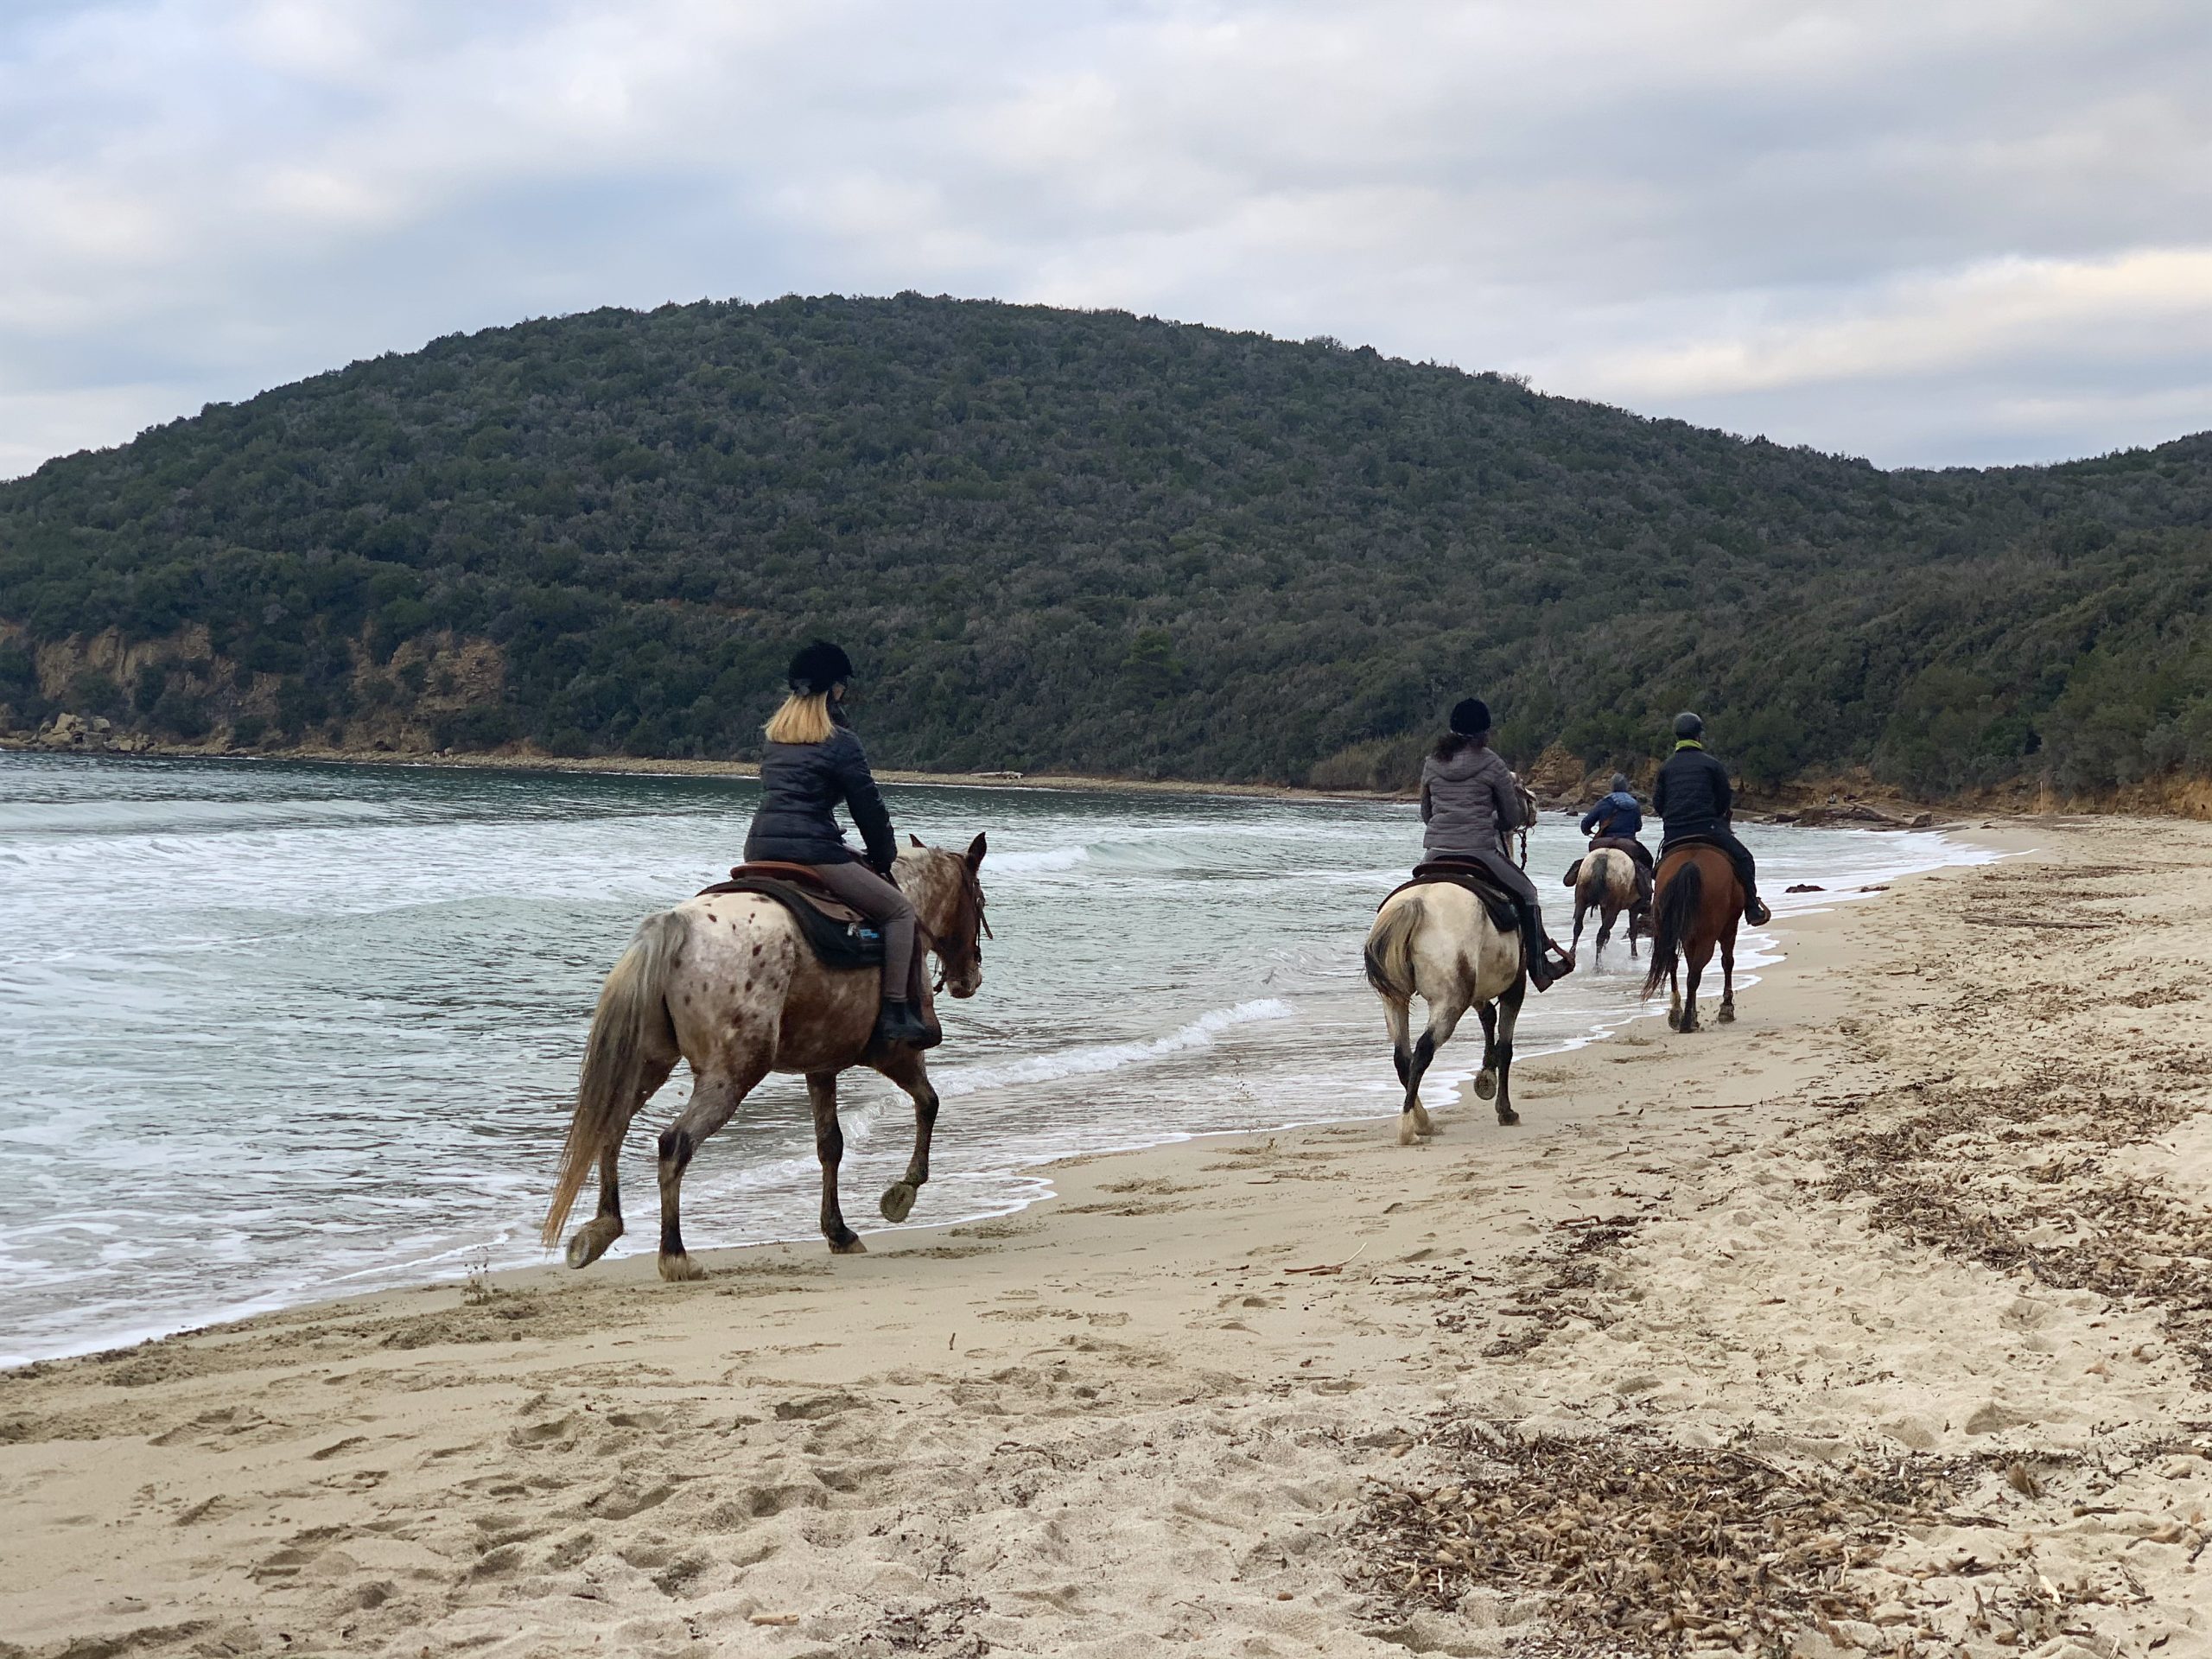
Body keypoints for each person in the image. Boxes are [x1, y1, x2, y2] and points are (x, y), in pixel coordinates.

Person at [744, 641, 934, 1048]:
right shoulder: (841, 742)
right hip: (812, 853)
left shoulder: (776, 740)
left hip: (759, 850)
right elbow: (869, 810)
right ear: (833, 691)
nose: (845, 693)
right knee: (900, 913)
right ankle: (895, 1014)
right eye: (842, 687)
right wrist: (883, 857)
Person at [1420, 697, 1573, 990]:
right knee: (1528, 893)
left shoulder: (1432, 762)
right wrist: (1495, 824)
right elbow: (1510, 818)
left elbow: (1427, 814)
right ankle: (1540, 969)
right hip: (1480, 852)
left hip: (1435, 854)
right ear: (1483, 732)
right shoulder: (1492, 763)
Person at [1652, 712, 1770, 926]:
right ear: (1699, 736)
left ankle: (1653, 911)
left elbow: (1658, 804)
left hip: (1675, 832)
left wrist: (1673, 820)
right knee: (1745, 859)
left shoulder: (1666, 768)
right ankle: (1752, 908)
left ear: (1677, 737)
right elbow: (1724, 799)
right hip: (1708, 828)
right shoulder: (1712, 764)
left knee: (1657, 871)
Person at [1576, 772, 1655, 906]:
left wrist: (1588, 831)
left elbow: (1585, 824)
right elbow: (1638, 826)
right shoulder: (1634, 804)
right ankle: (1645, 898)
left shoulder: (1603, 803)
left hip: (1603, 842)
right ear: (1626, 787)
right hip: (1627, 843)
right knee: (1647, 861)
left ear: (1611, 787)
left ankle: (1577, 884)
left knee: (1582, 864)